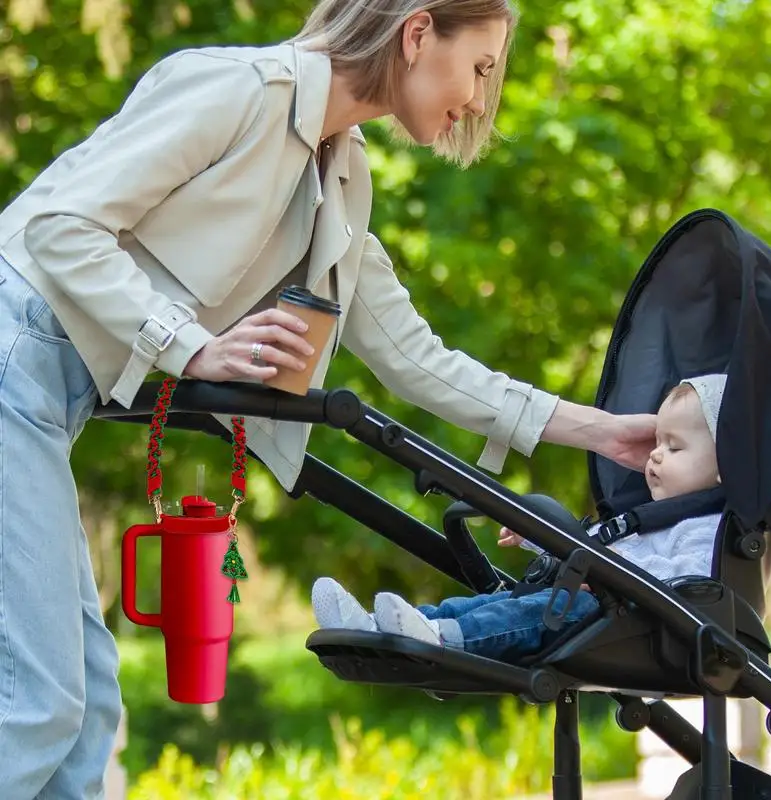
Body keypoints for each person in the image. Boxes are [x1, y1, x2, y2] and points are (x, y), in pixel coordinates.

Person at [0, 0, 657, 795]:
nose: (481, 100)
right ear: (418, 33)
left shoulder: (339, 175)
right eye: (480, 68)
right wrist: (191, 345)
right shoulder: (240, 90)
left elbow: (416, 357)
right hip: (13, 351)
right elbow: (60, 225)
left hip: (41, 399)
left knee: (84, 714)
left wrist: (606, 433)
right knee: (40, 705)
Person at [312, 374, 727, 663]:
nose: (654, 454)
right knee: (486, 604)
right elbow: (591, 543)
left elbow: (687, 584)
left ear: (724, 466)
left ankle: (437, 638)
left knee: (512, 615)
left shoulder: (705, 530)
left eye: (673, 448)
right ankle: (378, 630)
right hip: (589, 607)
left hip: (621, 624)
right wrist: (535, 535)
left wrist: (609, 576)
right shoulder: (644, 518)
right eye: (656, 441)